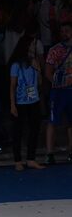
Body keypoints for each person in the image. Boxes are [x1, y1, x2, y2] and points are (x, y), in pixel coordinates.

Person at [9, 36, 45, 171]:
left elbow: (40, 83)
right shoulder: (16, 65)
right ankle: (17, 160)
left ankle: (31, 158)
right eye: (31, 45)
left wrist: (38, 69)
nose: (33, 48)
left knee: (34, 130)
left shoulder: (34, 62)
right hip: (20, 102)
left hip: (34, 100)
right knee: (18, 131)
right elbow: (12, 86)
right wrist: (12, 104)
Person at [45, 22, 72, 164]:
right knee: (53, 121)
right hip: (59, 91)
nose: (65, 34)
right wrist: (57, 83)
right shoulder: (54, 50)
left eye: (67, 31)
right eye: (62, 31)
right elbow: (48, 72)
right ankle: (49, 153)